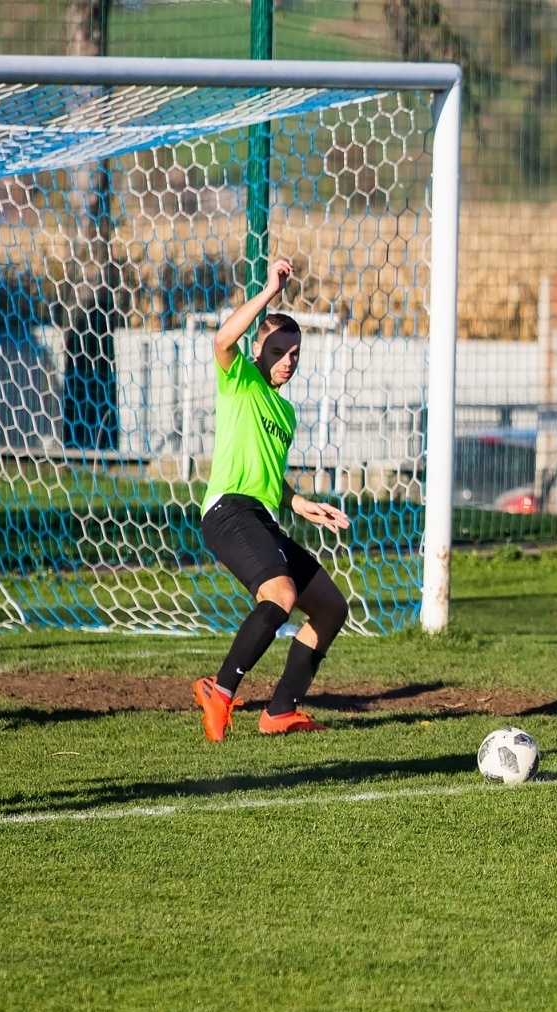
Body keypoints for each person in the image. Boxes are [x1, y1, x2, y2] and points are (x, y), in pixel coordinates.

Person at [192, 258, 352, 741]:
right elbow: (222, 340)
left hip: (261, 515)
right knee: (279, 596)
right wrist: (269, 292)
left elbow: (269, 476)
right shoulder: (240, 378)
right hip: (227, 510)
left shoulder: (283, 411)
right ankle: (218, 692)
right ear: (259, 349)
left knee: (329, 608)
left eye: (294, 353)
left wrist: (299, 503)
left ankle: (280, 710)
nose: (287, 360)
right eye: (278, 350)